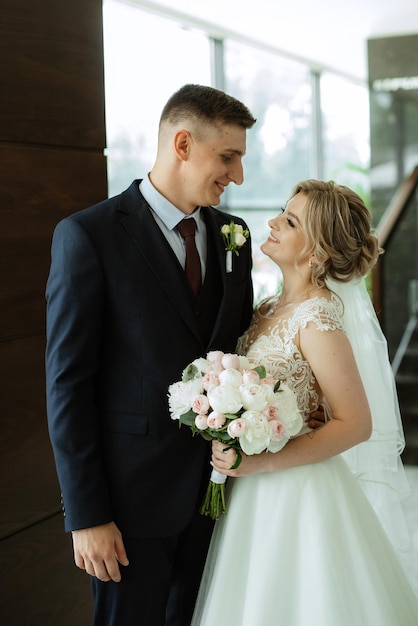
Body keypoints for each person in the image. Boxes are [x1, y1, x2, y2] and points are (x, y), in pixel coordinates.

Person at [45, 84, 257, 626]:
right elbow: (68, 385)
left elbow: (238, 349)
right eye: (227, 157)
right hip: (129, 509)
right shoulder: (88, 236)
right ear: (183, 144)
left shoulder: (234, 235)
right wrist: (87, 515)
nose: (237, 176)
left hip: (219, 499)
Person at [191, 180, 418, 626]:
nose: (273, 222)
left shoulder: (318, 316)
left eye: (290, 221)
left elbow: (356, 423)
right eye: (282, 211)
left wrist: (259, 463)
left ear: (316, 254)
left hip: (293, 490)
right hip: (250, 490)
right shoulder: (268, 307)